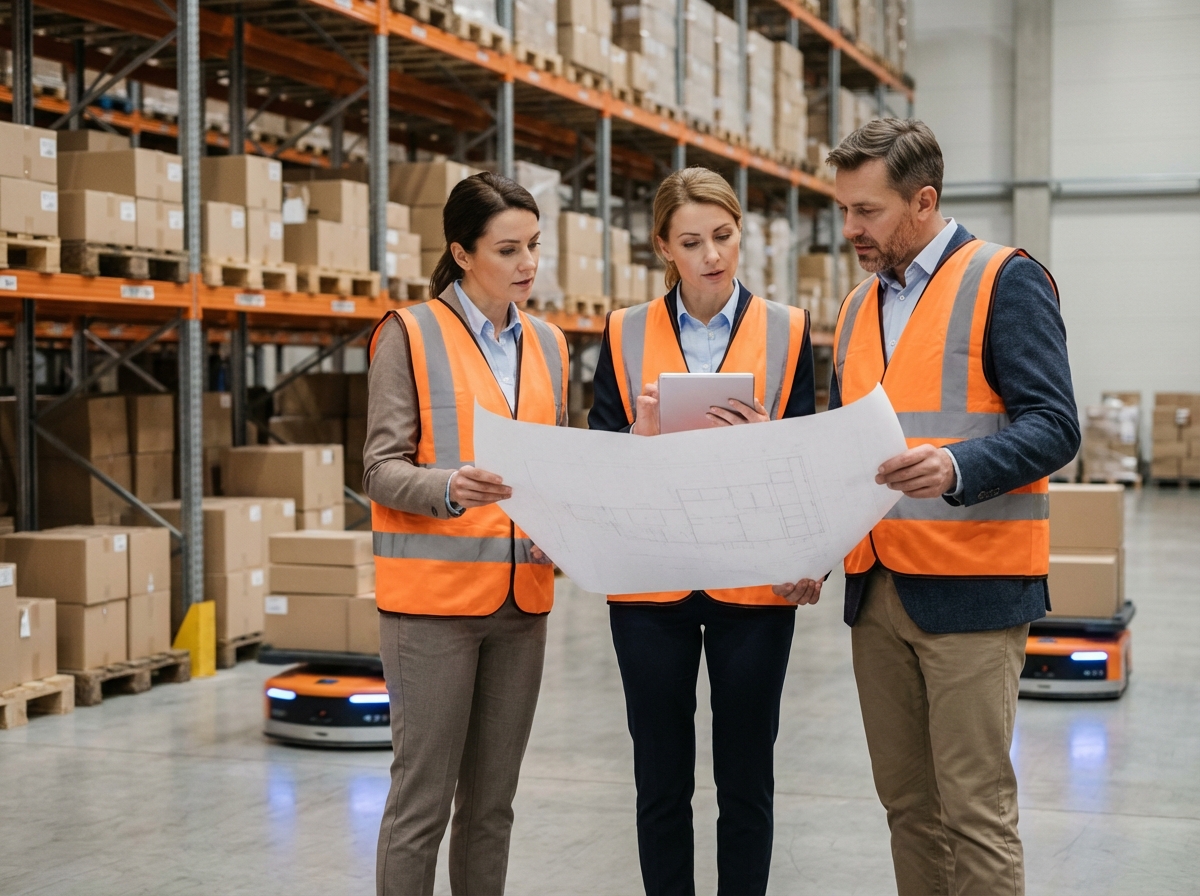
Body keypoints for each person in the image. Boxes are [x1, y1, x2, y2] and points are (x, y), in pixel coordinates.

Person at [826, 119, 1080, 896]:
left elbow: (1055, 425)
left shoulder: (1004, 279)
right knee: (909, 809)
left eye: (867, 211)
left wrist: (958, 465)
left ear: (923, 201)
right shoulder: (856, 306)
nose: (850, 228)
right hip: (877, 592)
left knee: (975, 811)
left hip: (973, 591)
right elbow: (843, 448)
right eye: (844, 210)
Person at [589, 166, 821, 896]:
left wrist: (806, 548)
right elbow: (598, 460)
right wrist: (639, 435)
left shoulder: (787, 330)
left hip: (752, 584)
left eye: (723, 235)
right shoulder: (624, 331)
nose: (712, 255)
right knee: (660, 782)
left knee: (747, 782)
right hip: (649, 583)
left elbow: (808, 462)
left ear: (740, 231)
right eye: (691, 242)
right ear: (664, 247)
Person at [364, 172, 569, 896]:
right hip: (432, 608)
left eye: (534, 246)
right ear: (461, 252)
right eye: (508, 250)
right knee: (420, 806)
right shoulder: (409, 333)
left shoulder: (549, 343)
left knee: (491, 808)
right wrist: (448, 488)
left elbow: (554, 465)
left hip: (522, 604)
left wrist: (563, 527)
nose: (527, 264)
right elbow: (380, 468)